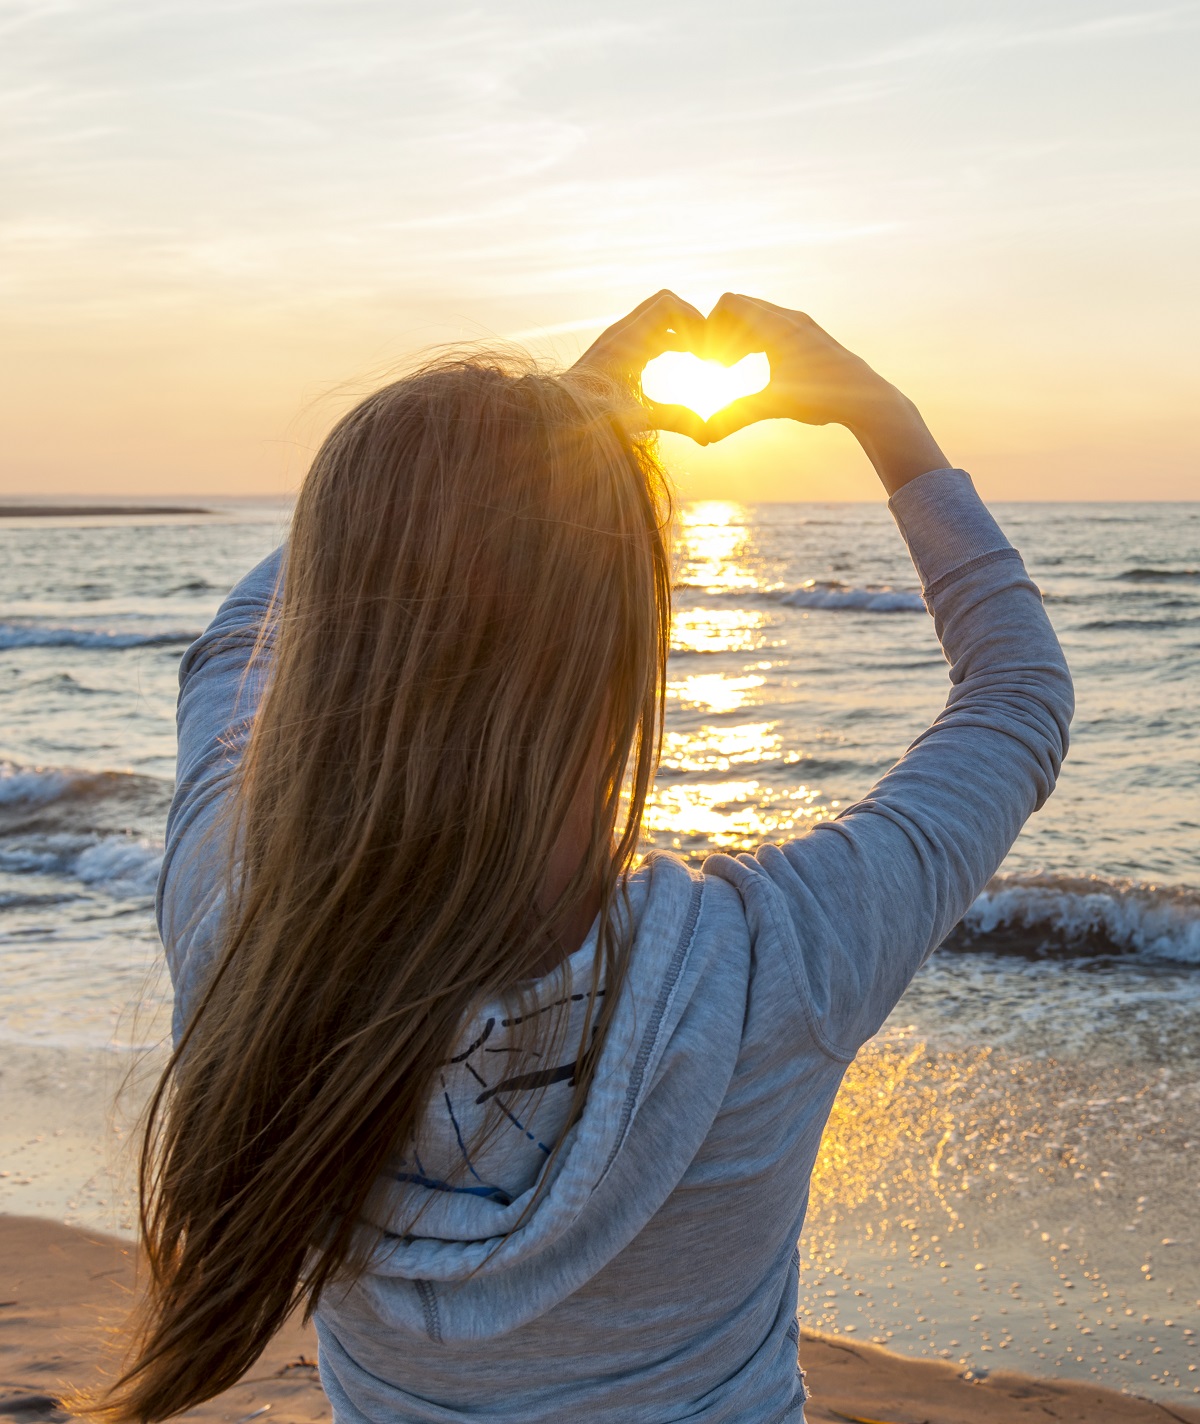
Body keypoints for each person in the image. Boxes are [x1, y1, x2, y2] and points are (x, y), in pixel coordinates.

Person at [97, 292, 1073, 1424]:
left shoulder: (240, 931)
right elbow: (1016, 695)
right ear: (625, 645)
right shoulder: (768, 963)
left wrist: (511, 447)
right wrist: (889, 423)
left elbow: (233, 649)